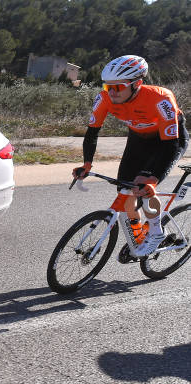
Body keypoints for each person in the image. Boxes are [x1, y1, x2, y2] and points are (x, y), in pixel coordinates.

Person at [73, 55, 189, 257]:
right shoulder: (104, 98)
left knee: (142, 187)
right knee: (126, 190)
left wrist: (153, 179)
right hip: (139, 140)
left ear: (137, 84)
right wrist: (87, 164)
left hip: (167, 141)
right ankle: (138, 233)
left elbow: (170, 144)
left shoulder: (161, 99)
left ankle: (156, 232)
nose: (112, 93)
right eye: (108, 87)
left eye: (118, 87)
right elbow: (92, 133)